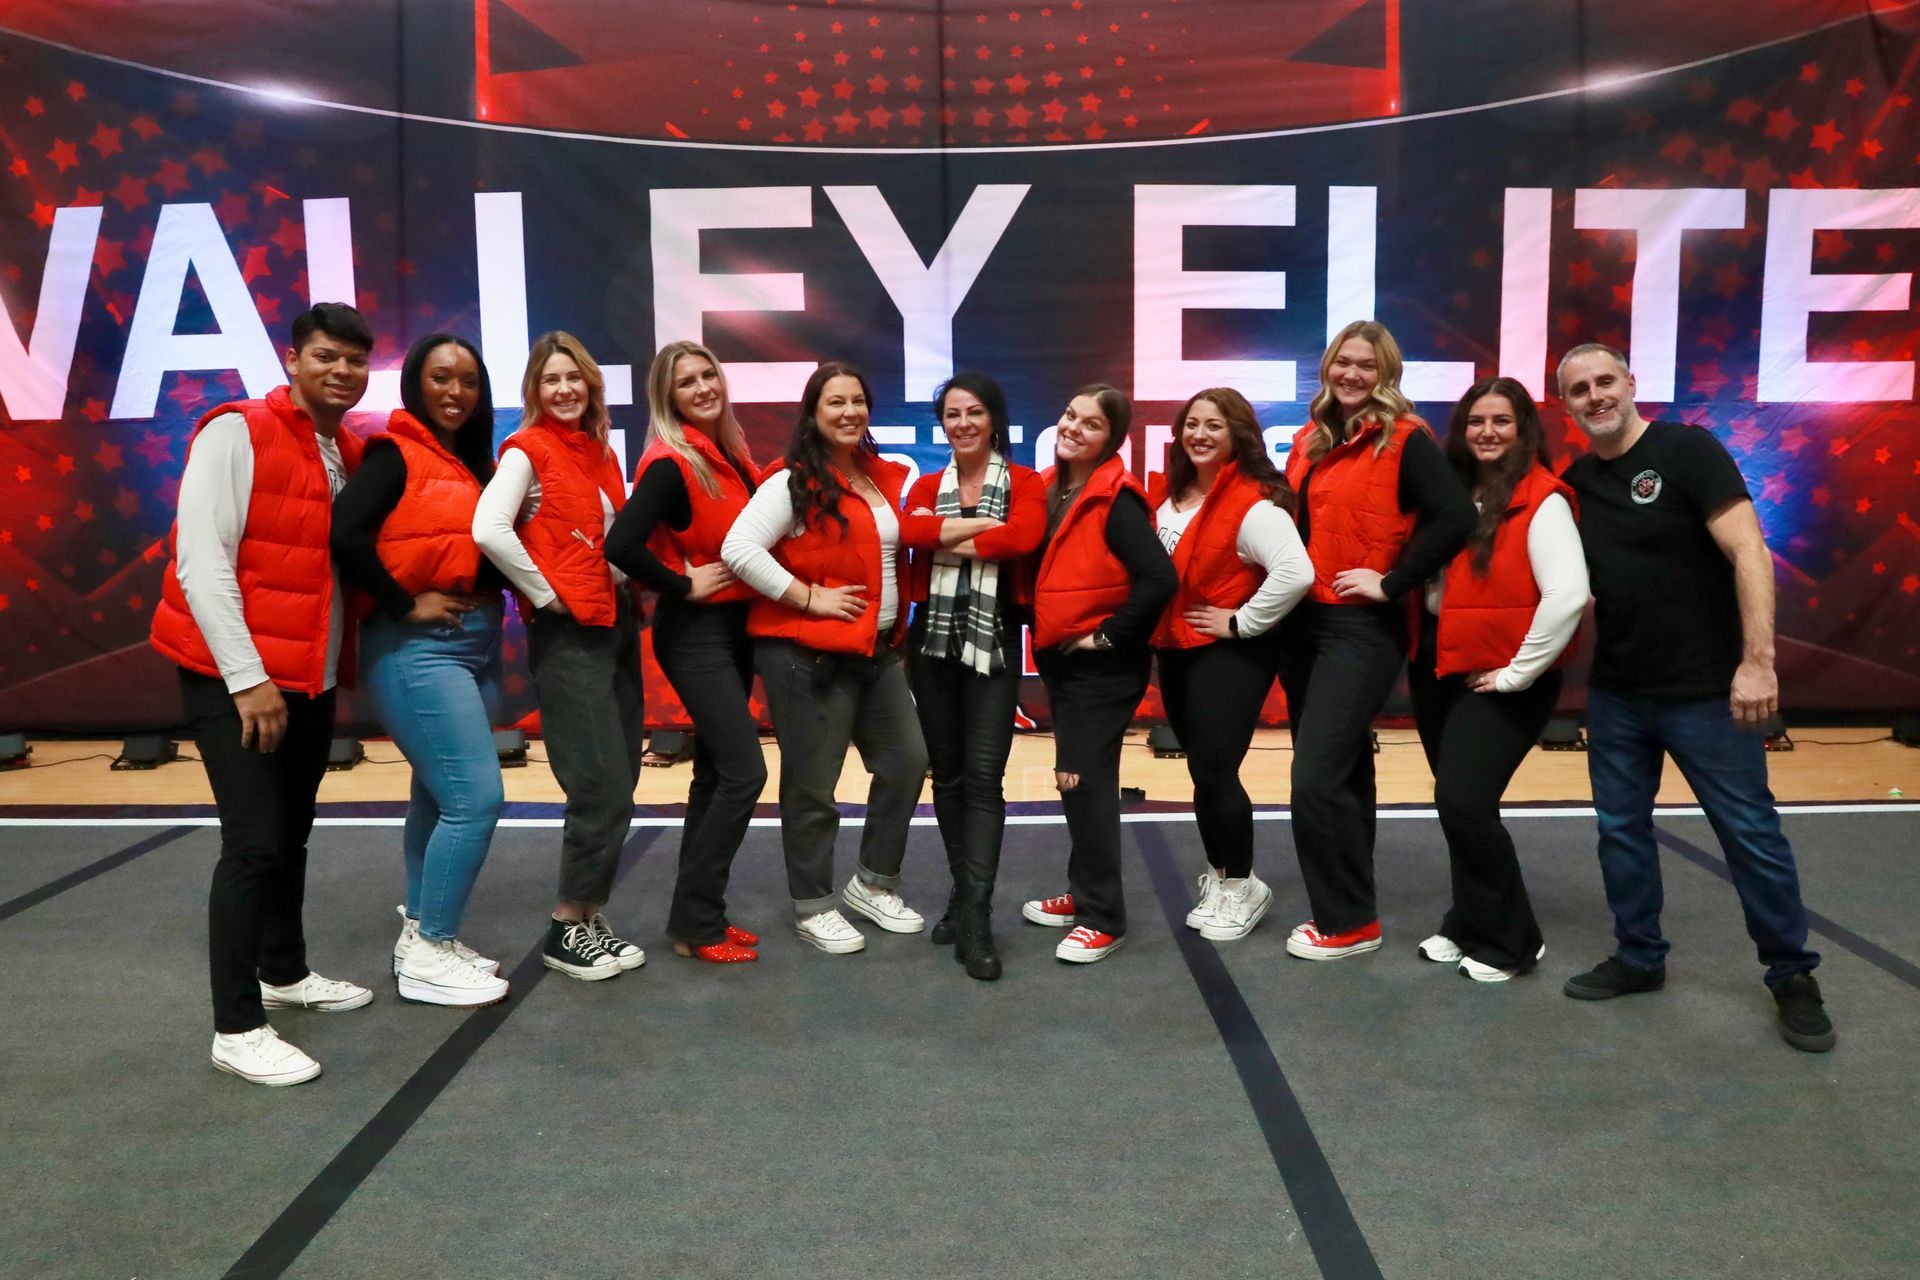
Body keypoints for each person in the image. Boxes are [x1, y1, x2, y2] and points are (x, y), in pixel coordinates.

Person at [1556, 342, 1835, 1052]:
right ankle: (1640, 958)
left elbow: (1750, 552)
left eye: (1605, 381)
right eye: (1579, 389)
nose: (1596, 396)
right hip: (1618, 694)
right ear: (1566, 405)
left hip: (1710, 691)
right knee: (1621, 831)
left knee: (1750, 834)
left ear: (1631, 383)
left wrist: (1758, 664)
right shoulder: (1576, 481)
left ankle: (1791, 974)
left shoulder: (1687, 451)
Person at [151, 302, 377, 1087]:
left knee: (290, 835)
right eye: (326, 356)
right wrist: (248, 679)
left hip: (304, 678)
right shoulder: (236, 429)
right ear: (292, 359)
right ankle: (237, 1026)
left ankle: (285, 972)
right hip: (234, 676)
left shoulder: (347, 447)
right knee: (252, 844)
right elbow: (201, 563)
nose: (341, 371)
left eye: (354, 360)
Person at [721, 362, 998, 954]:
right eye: (834, 403)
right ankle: (813, 904)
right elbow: (739, 548)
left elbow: (908, 539)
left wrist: (999, 524)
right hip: (806, 656)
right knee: (813, 787)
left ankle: (872, 882)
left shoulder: (881, 477)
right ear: (813, 414)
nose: (849, 412)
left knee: (906, 762)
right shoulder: (792, 480)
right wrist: (808, 596)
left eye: (857, 401)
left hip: (876, 652)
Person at [1278, 320, 1476, 961]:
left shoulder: (1406, 439)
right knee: (1344, 773)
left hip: (1362, 630)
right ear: (1328, 367)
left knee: (1312, 779)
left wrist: (1393, 582)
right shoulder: (1309, 440)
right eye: (1344, 362)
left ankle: (1345, 922)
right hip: (1305, 625)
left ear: (1386, 374)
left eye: (1367, 365)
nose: (1353, 375)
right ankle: (1353, 909)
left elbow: (1456, 516)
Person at [330, 333, 510, 1007]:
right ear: (414, 384)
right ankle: (429, 951)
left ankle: (419, 923)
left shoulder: (473, 465)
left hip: (476, 646)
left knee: (437, 797)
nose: (454, 391)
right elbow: (344, 533)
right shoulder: (395, 454)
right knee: (476, 799)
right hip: (418, 651)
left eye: (467, 379)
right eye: (440, 377)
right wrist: (406, 602)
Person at [474, 331, 645, 983]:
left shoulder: (598, 452)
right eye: (551, 380)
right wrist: (547, 594)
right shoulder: (528, 451)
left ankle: (591, 912)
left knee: (621, 783)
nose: (565, 389)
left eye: (574, 377)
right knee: (597, 786)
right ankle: (566, 924)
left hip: (614, 626)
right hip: (571, 635)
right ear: (534, 392)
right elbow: (488, 527)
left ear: (592, 384)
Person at [1408, 377, 1587, 982]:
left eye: (1501, 421)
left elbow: (1568, 596)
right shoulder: (1453, 497)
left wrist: (1518, 673)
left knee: (1464, 801)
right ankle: (1469, 921)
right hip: (1441, 666)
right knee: (1460, 805)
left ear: (1523, 431)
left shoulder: (1544, 499)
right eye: (1476, 421)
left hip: (1504, 677)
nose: (1487, 432)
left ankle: (1514, 939)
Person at [604, 341, 765, 964]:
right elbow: (622, 542)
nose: (702, 388)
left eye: (707, 376)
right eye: (685, 383)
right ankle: (697, 923)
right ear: (666, 399)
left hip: (734, 629)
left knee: (718, 772)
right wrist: (680, 583)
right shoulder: (670, 461)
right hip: (695, 633)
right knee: (745, 772)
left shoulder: (728, 455)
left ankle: (698, 917)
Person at [1020, 385, 1177, 963]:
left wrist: (1108, 634)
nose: (1074, 428)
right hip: (1064, 660)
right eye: (1069, 416)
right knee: (1081, 783)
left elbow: (1159, 579)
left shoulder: (1116, 498)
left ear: (1112, 439)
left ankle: (1104, 918)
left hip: (1102, 669)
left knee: (1081, 782)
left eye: (1091, 424)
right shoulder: (1050, 488)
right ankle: (1086, 889)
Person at [1150, 387, 1313, 943]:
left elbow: (1295, 572)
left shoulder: (1253, 502)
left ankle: (1243, 885)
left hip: (1228, 656)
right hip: (1176, 651)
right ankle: (1222, 876)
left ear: (1237, 435)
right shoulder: (1172, 497)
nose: (1199, 433)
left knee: (1217, 770)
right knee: (1202, 770)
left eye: (1213, 425)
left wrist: (1242, 622)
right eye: (1191, 422)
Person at [902, 372, 1048, 981]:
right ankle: (962, 896)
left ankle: (978, 913)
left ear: (995, 420)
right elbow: (907, 532)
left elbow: (1024, 536)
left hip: (991, 647)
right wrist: (975, 531)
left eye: (974, 413)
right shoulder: (929, 483)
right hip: (930, 646)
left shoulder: (1026, 483)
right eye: (952, 415)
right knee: (950, 777)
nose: (962, 423)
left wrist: (942, 534)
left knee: (984, 780)